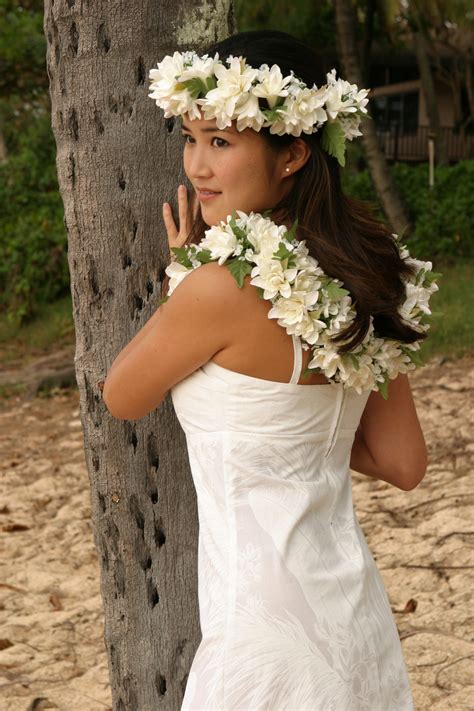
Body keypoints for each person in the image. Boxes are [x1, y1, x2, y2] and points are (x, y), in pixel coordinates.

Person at [103, 30, 431, 710]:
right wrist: (304, 437)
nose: (197, 166)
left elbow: (123, 394)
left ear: (293, 154)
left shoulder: (219, 287)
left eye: (222, 143)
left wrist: (184, 275)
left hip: (263, 629)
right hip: (354, 619)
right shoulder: (365, 274)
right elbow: (401, 460)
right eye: (191, 138)